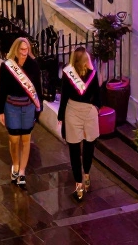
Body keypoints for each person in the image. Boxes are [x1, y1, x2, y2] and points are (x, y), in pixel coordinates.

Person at [57, 46, 102, 201]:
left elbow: (98, 96)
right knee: (74, 149)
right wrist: (61, 116)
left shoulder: (93, 75)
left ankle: (87, 173)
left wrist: (95, 109)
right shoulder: (68, 74)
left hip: (88, 112)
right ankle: (78, 184)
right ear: (85, 59)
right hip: (73, 112)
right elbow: (64, 96)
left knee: (89, 145)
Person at [0, 37, 43, 188]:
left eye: (27, 50)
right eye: (22, 50)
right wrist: (0, 111)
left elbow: (37, 89)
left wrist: (38, 109)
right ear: (16, 50)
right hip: (11, 107)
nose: (24, 53)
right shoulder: (7, 66)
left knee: (25, 139)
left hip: (28, 107)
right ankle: (15, 165)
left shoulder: (33, 65)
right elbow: (2, 89)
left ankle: (22, 171)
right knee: (14, 140)